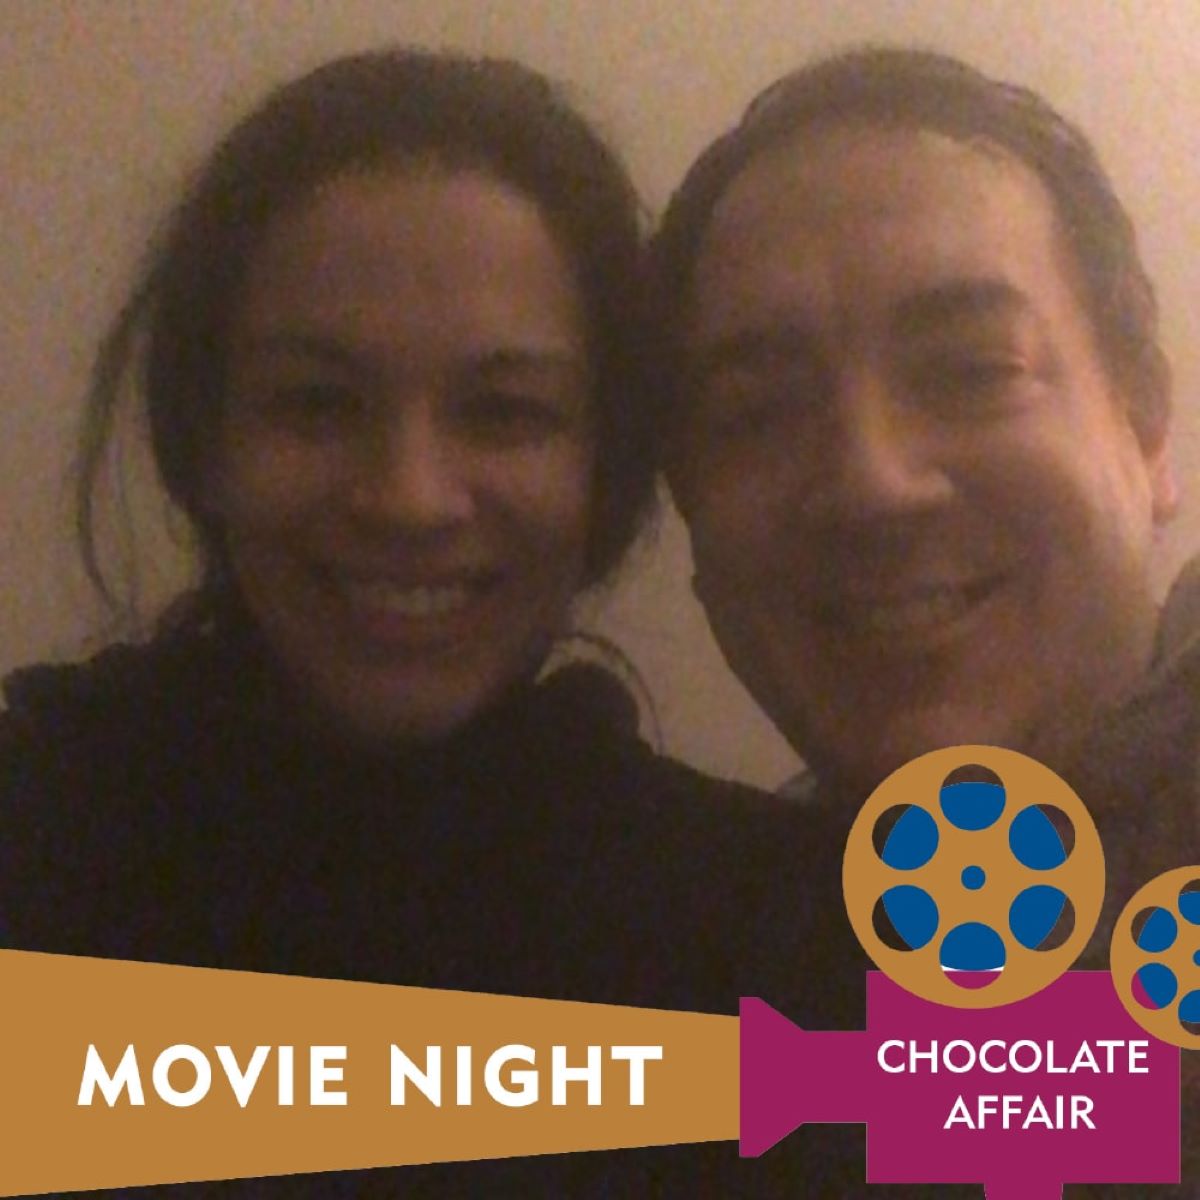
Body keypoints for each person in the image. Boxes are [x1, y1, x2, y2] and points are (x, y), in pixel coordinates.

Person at [0, 48, 812, 1197]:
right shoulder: (33, 846)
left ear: (606, 470)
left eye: (505, 411)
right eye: (318, 403)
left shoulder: (784, 932)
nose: (410, 497)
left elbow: (1078, 1120)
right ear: (205, 440)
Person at [653, 46, 1199, 1196]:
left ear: (1147, 424)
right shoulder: (717, 953)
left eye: (970, 370)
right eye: (759, 412)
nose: (871, 483)